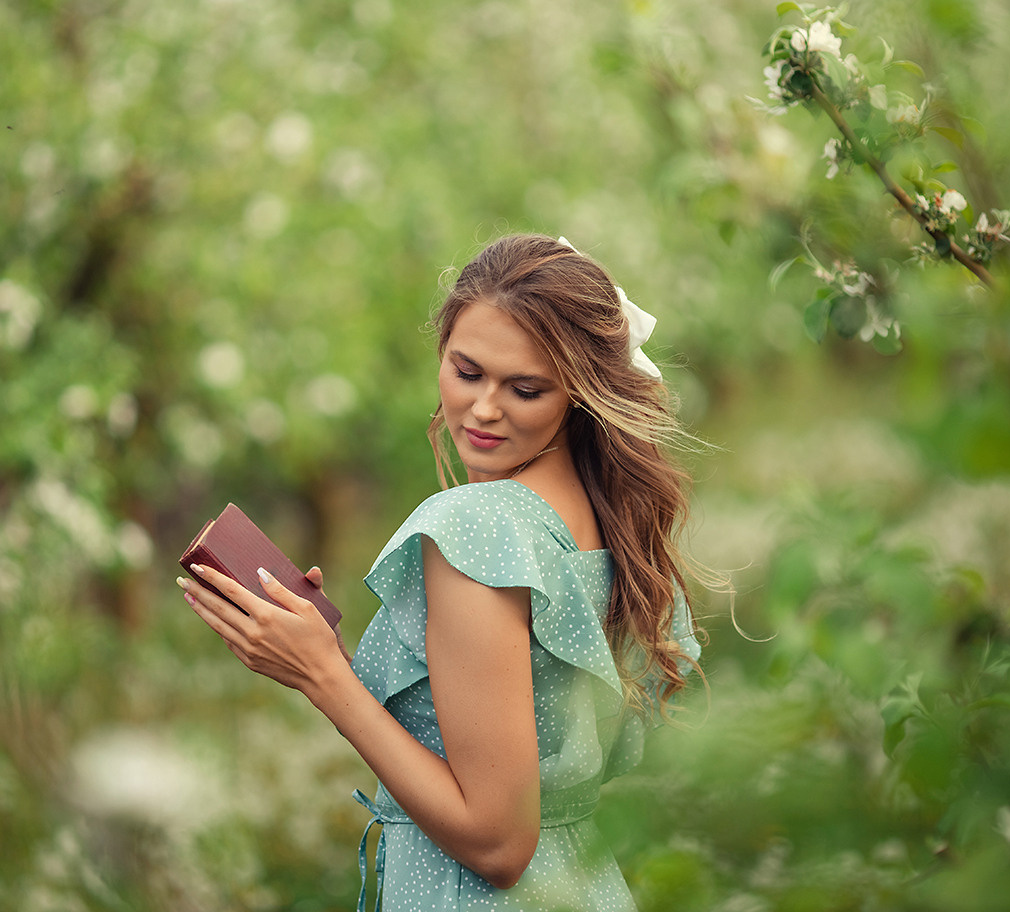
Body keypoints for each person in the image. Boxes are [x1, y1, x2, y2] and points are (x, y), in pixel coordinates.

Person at [177, 233, 703, 911]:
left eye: (525, 388)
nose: (484, 410)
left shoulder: (478, 526)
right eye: (467, 371)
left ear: (579, 393)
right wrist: (325, 651)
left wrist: (323, 677)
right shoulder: (601, 517)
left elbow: (498, 844)